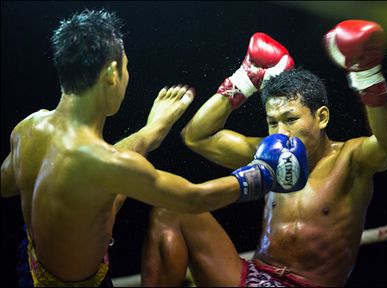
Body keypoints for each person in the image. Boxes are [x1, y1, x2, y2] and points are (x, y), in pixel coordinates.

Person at [0, 9, 308, 287]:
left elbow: (14, 184)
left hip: (30, 266)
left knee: (93, 190)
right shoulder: (106, 162)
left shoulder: (28, 128)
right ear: (111, 74)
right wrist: (262, 174)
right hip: (79, 283)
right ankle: (151, 133)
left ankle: (150, 133)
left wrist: (147, 134)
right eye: (126, 68)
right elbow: (191, 198)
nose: (127, 78)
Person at [141, 21, 387, 287]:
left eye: (290, 119)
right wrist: (244, 80)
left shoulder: (350, 160)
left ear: (322, 117)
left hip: (307, 284)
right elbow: (197, 136)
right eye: (272, 122)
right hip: (256, 276)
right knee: (171, 208)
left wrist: (367, 76)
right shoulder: (268, 153)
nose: (279, 131)